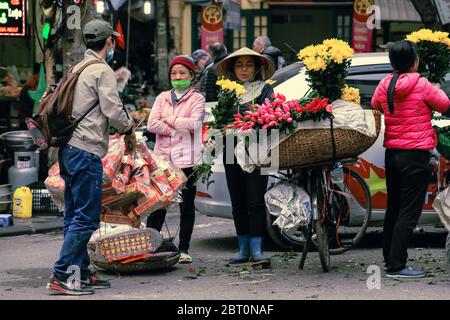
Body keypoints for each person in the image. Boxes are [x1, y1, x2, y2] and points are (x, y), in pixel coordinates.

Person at [47, 19, 136, 295]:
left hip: (69, 149)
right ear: (108, 42)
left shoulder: (78, 67)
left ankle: (80, 272)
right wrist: (129, 129)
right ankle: (62, 274)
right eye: (112, 41)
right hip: (85, 150)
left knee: (74, 215)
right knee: (86, 218)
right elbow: (112, 109)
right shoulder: (101, 69)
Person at [371, 40, 450, 279]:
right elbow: (445, 104)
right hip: (415, 156)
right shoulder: (421, 83)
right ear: (414, 61)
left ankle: (389, 259)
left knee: (393, 209)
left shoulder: (385, 84)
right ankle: (396, 266)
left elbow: (376, 105)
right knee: (409, 211)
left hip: (392, 154)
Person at [215, 47, 276, 266]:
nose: (243, 69)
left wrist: (244, 125)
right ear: (232, 69)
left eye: (248, 65)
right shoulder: (226, 92)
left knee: (256, 201)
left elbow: (271, 118)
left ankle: (257, 251)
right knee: (238, 201)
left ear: (257, 68)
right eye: (239, 65)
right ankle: (243, 249)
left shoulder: (266, 90)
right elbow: (220, 122)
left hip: (260, 150)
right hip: (230, 147)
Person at [146, 55, 205, 264]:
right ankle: (150, 246)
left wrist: (168, 120)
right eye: (174, 73)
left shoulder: (197, 98)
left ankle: (184, 249)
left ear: (191, 75)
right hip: (163, 160)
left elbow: (195, 124)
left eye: (182, 73)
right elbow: (152, 124)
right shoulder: (162, 97)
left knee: (186, 206)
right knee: (158, 205)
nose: (177, 76)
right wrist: (174, 131)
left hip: (188, 161)